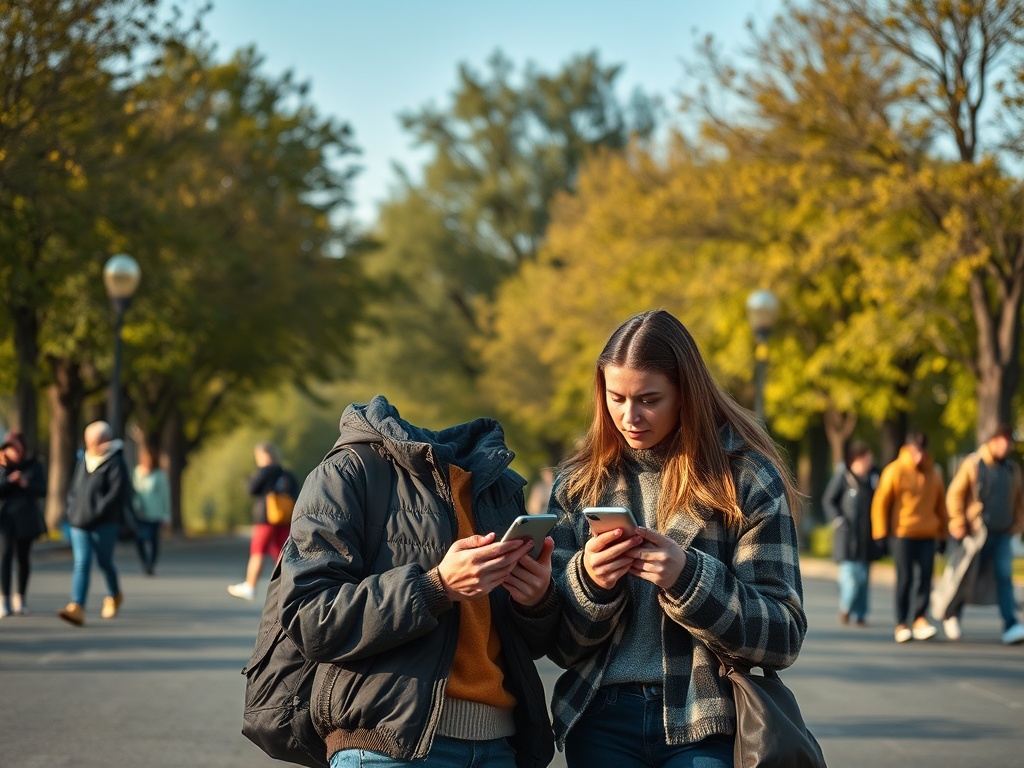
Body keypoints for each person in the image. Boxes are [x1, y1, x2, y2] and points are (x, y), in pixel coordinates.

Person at [545, 310, 807, 768]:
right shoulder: (579, 484)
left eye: (649, 399)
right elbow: (561, 646)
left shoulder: (746, 478)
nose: (630, 416)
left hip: (708, 718)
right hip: (600, 717)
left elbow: (782, 636)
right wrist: (590, 584)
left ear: (686, 393)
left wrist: (688, 579)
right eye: (616, 398)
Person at [278, 395, 559, 768]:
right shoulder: (347, 473)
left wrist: (536, 601)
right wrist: (435, 586)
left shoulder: (499, 488)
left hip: (499, 747)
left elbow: (528, 647)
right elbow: (311, 619)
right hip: (388, 748)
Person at [942, 424, 1024, 645]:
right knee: (965, 577)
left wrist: (1018, 523)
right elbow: (954, 495)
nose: (1008, 446)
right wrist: (958, 521)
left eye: (1010, 442)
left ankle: (1011, 624)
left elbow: (1019, 500)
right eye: (1004, 441)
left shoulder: (1011, 469)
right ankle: (952, 615)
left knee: (1004, 578)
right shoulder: (974, 464)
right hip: (976, 533)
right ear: (993, 441)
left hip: (1002, 534)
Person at [870, 431, 947, 643]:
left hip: (928, 533)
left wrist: (943, 535)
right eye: (915, 451)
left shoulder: (934, 473)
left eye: (923, 451)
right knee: (905, 578)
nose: (919, 457)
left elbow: (941, 506)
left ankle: (921, 618)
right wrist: (880, 533)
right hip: (902, 533)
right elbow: (880, 503)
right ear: (908, 449)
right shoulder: (895, 470)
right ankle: (902, 623)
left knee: (925, 578)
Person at [59, 421, 131, 626]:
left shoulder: (115, 462)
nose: (90, 445)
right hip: (80, 522)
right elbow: (74, 489)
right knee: (81, 562)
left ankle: (114, 595)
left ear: (106, 440)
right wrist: (71, 511)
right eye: (88, 441)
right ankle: (77, 606)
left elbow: (117, 494)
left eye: (94, 442)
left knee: (104, 562)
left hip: (105, 523)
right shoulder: (83, 460)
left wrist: (96, 512)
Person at [228, 442, 298, 601]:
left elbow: (252, 489)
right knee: (282, 554)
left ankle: (250, 585)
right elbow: (294, 492)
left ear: (265, 456)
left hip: (266, 518)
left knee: (257, 551)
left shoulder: (265, 471)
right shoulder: (287, 474)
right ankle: (288, 587)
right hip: (284, 518)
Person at [822, 440, 881, 627]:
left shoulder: (873, 478)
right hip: (847, 537)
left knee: (863, 579)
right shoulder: (843, 477)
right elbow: (828, 500)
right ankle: (846, 607)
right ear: (858, 459)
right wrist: (838, 519)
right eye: (867, 459)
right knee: (851, 578)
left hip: (866, 537)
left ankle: (860, 614)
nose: (869, 462)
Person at [0, 431, 47, 617]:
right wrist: (9, 481)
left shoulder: (34, 465)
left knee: (23, 558)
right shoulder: (2, 467)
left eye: (16, 449)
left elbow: (42, 490)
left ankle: (20, 596)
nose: (13, 453)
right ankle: (4, 598)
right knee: (4, 557)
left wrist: (26, 483)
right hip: (4, 519)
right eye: (9, 449)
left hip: (26, 518)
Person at [132, 445, 171, 575]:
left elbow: (165, 495)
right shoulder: (137, 473)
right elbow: (134, 491)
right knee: (139, 539)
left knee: (153, 539)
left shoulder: (159, 475)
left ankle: (151, 564)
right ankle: (144, 561)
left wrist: (166, 515)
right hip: (140, 512)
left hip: (155, 513)